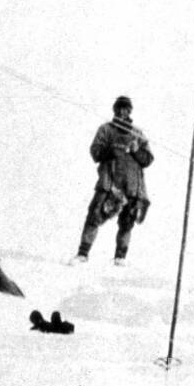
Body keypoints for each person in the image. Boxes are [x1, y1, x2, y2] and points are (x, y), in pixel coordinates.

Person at [71, 95, 153, 266]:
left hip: (132, 186)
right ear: (114, 110)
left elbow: (148, 159)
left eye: (126, 109)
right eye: (119, 108)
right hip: (109, 183)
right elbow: (95, 152)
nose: (122, 112)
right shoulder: (106, 130)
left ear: (130, 111)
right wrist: (112, 149)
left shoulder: (138, 134)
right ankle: (83, 253)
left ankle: (120, 257)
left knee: (127, 222)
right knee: (94, 216)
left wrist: (137, 151)